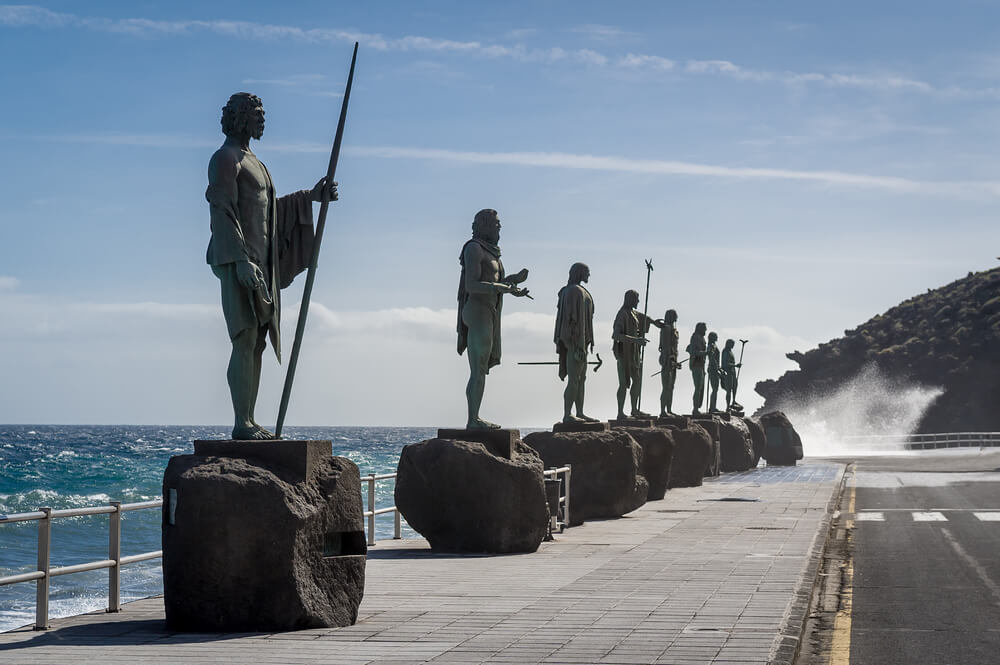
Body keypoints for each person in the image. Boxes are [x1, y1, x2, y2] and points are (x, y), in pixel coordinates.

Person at [206, 92, 336, 440]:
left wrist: (310, 197)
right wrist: (241, 260)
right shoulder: (225, 158)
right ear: (239, 117)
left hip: (263, 264)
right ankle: (241, 422)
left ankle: (248, 419)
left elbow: (268, 210)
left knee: (258, 341)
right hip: (239, 261)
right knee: (244, 337)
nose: (262, 120)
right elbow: (221, 210)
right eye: (257, 114)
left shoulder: (256, 162)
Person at [457, 209, 530, 429]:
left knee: (481, 369)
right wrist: (503, 288)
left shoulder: (493, 254)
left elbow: (494, 283)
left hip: (489, 312)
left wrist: (513, 281)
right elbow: (472, 285)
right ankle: (473, 420)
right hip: (477, 311)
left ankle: (475, 418)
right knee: (478, 369)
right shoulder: (474, 248)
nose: (500, 227)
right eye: (496, 224)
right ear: (485, 224)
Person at [612, 290, 662, 419]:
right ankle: (620, 413)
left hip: (634, 354)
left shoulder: (633, 313)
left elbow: (644, 317)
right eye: (636, 299)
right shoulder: (622, 314)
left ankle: (634, 410)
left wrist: (655, 323)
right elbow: (616, 335)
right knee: (623, 383)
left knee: (637, 381)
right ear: (630, 299)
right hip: (624, 354)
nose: (638, 301)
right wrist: (636, 340)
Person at [658, 309, 680, 417]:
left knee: (671, 387)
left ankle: (669, 410)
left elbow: (674, 348)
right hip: (667, 361)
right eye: (675, 316)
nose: (676, 318)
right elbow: (666, 347)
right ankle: (663, 411)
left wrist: (676, 362)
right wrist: (669, 360)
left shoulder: (674, 330)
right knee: (666, 387)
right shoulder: (666, 329)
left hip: (673, 362)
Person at [686, 322, 708, 415]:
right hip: (696, 365)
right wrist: (705, 353)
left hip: (701, 365)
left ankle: (697, 408)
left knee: (700, 388)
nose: (706, 331)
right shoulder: (695, 337)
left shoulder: (702, 338)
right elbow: (694, 351)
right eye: (704, 329)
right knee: (698, 387)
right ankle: (695, 409)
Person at [721, 338, 742, 413]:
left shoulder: (730, 351)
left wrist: (735, 366)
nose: (733, 346)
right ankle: (727, 406)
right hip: (728, 373)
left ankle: (733, 402)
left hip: (733, 373)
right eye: (732, 344)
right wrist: (735, 365)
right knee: (729, 390)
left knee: (735, 387)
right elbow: (724, 364)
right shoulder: (725, 351)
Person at [707, 332, 721, 413]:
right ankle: (712, 408)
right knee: (715, 389)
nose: (717, 337)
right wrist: (717, 369)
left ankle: (713, 406)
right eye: (715, 336)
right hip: (713, 369)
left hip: (715, 368)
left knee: (715, 389)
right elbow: (712, 358)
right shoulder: (711, 346)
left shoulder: (713, 345)